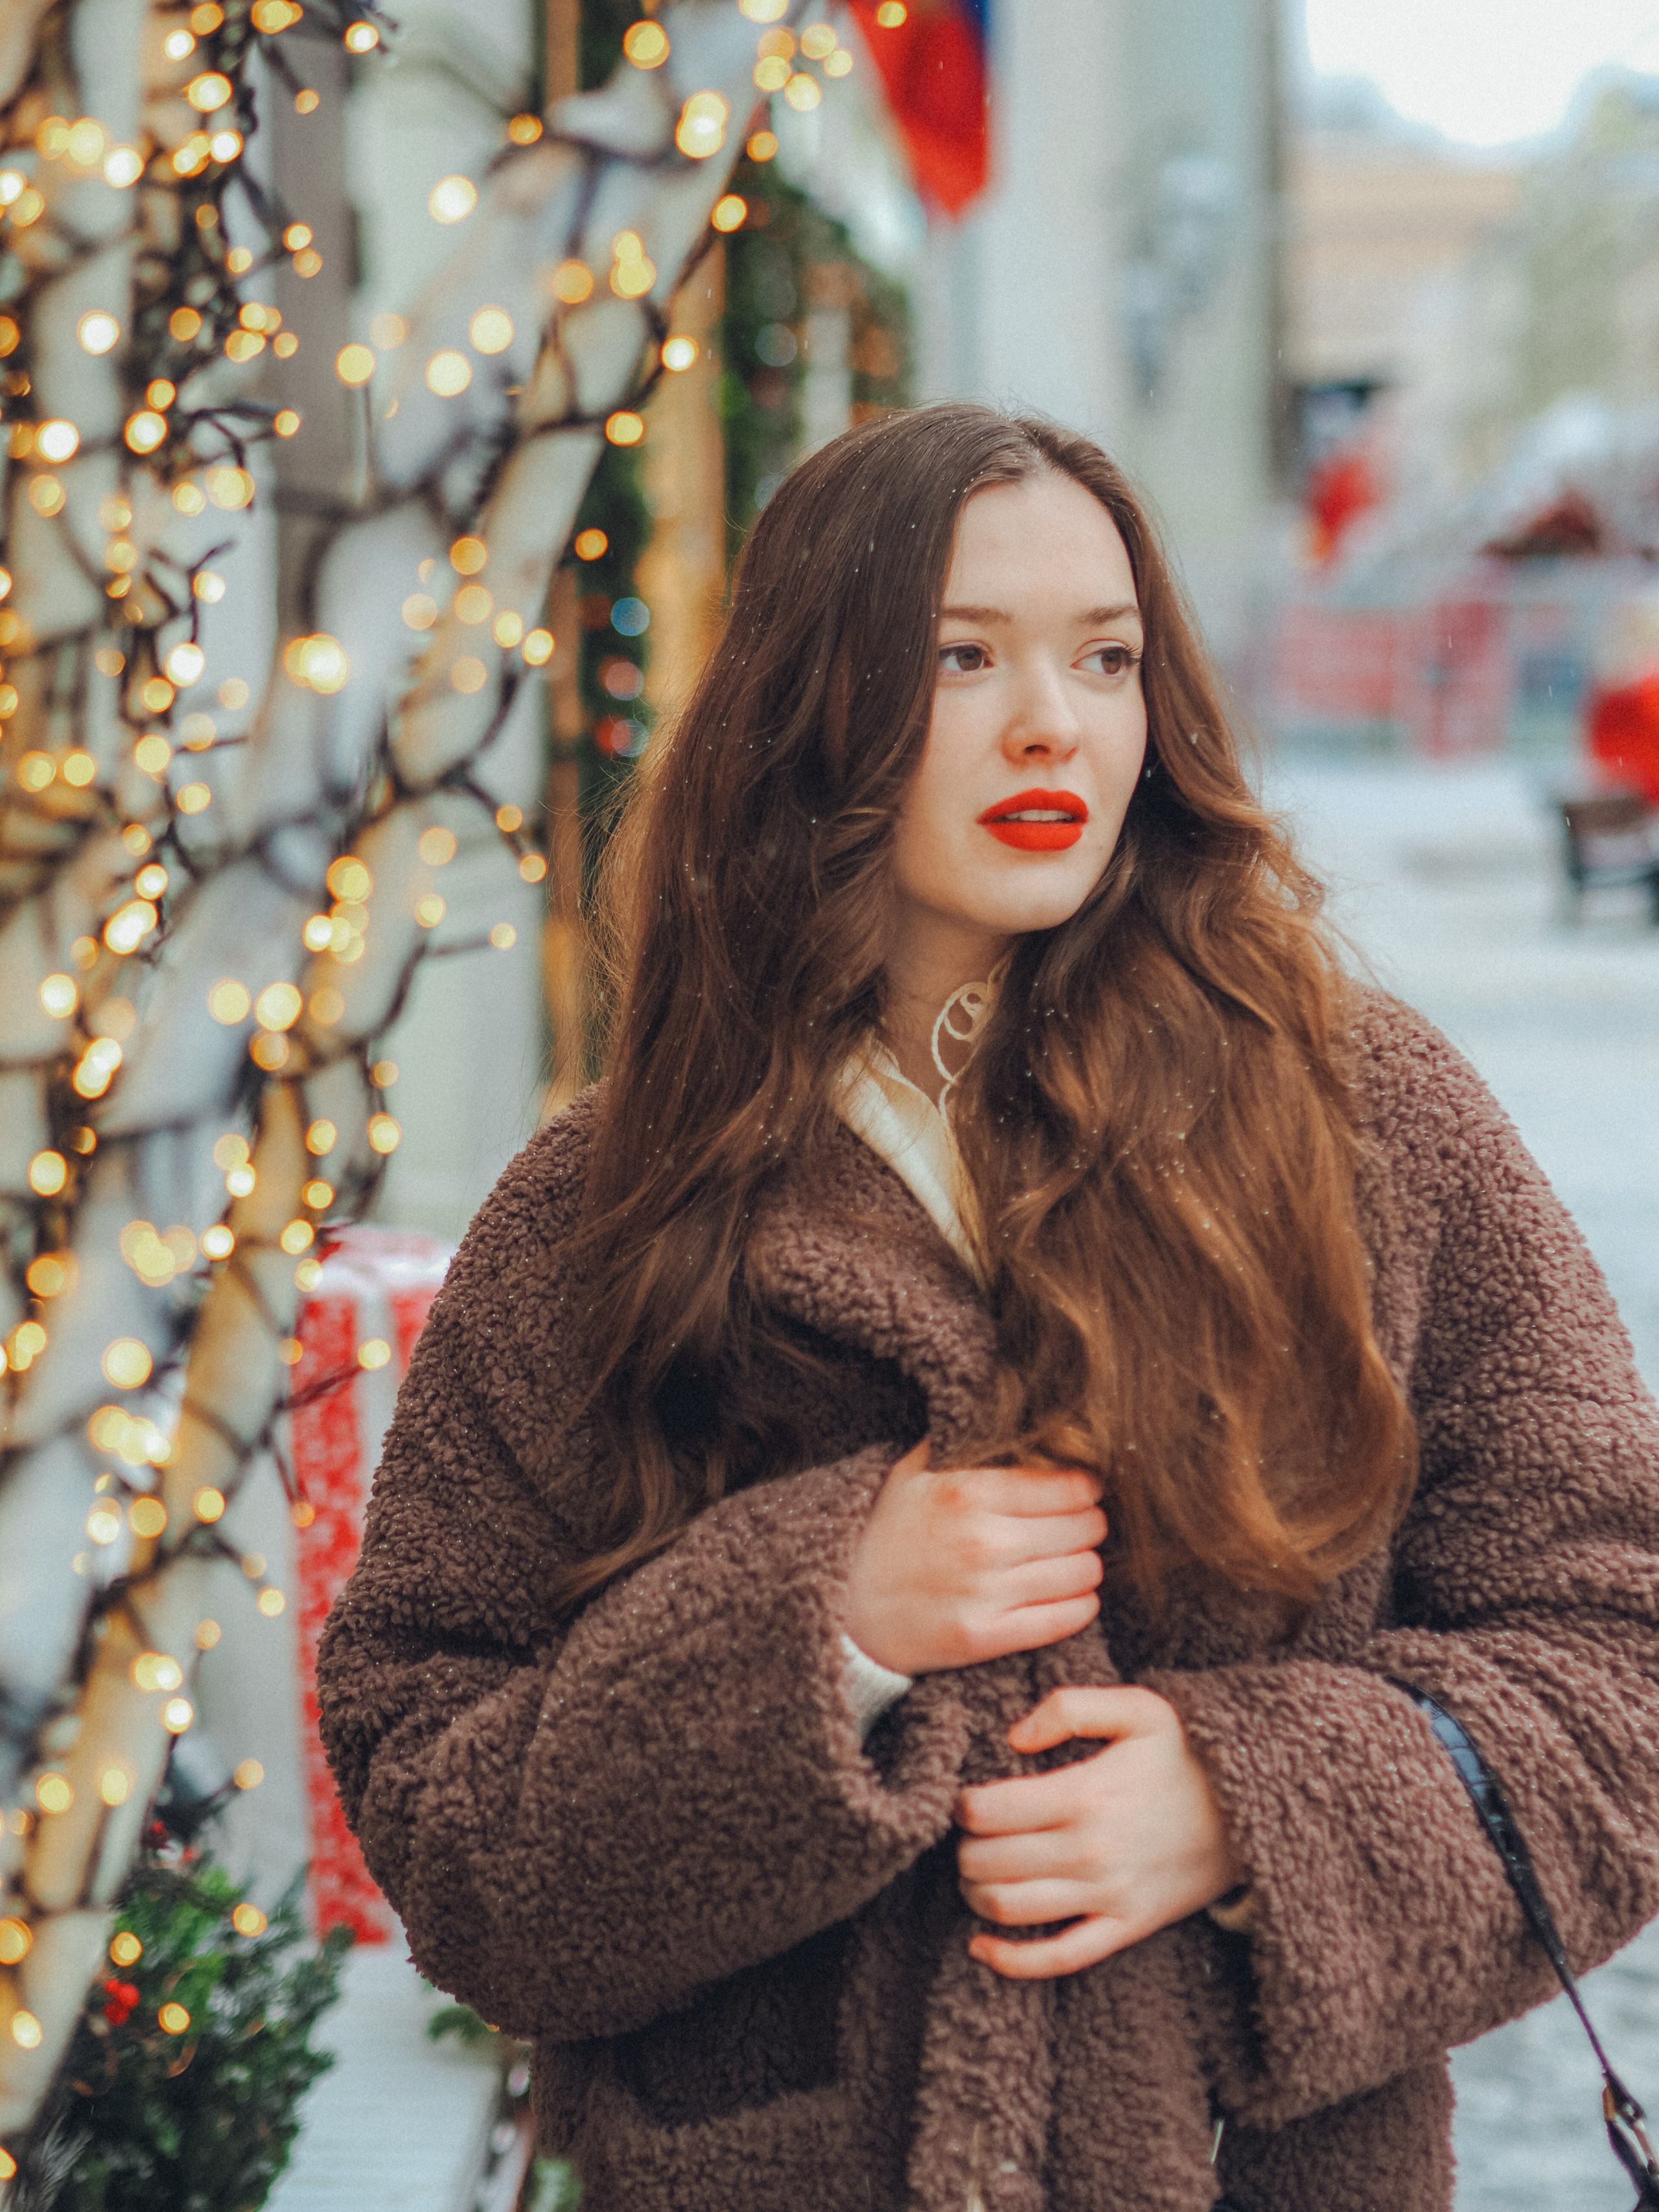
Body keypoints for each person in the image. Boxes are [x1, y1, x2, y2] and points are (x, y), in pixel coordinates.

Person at [316, 404, 1659, 2212]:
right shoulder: (605, 1206)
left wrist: (1251, 1812)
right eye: (963, 657)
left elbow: (1619, 1656)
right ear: (818, 701)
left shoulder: (1356, 1120)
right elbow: (436, 1807)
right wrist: (823, 1624)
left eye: (1106, 659)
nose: (1055, 723)